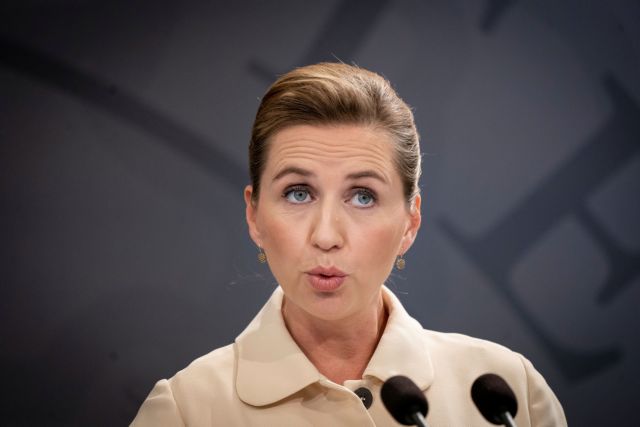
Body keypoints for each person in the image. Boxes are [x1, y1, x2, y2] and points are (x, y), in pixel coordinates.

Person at [130, 63, 566, 426]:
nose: (326, 236)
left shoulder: (509, 396)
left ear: (410, 222)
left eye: (363, 197)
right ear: (254, 215)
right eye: (298, 193)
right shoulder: (186, 409)